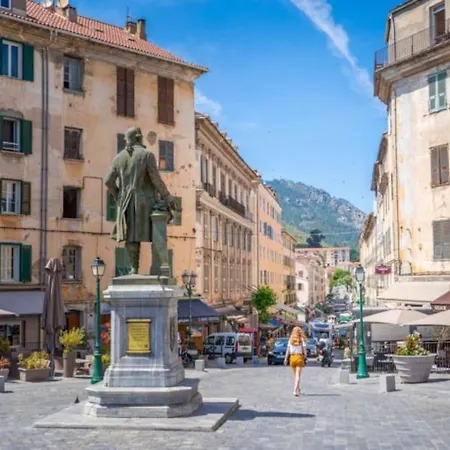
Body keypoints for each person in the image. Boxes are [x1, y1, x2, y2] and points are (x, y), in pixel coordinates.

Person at [284, 326, 307, 396]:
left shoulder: (291, 339)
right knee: (298, 376)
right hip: (299, 357)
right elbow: (304, 351)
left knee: (295, 375)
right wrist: (305, 357)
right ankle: (295, 390)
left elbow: (288, 350)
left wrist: (285, 358)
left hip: (292, 358)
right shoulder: (301, 339)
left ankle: (298, 389)